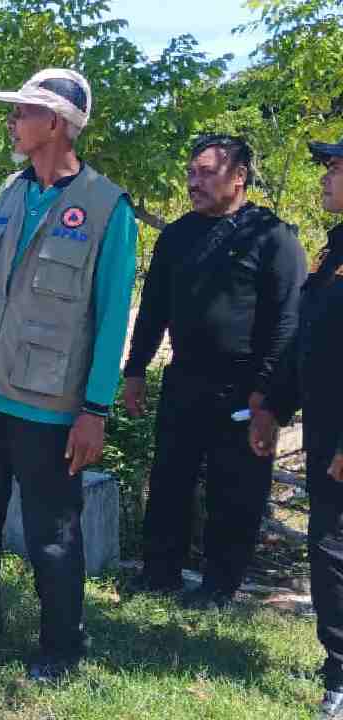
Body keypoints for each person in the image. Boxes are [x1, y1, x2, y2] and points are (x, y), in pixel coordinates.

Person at [0, 69, 138, 682]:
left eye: (22, 113)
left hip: (49, 402)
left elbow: (112, 318)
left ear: (55, 124)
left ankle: (62, 647)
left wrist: (95, 410)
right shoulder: (12, 192)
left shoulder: (107, 208)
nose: (11, 122)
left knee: (52, 533)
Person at [122, 135, 305, 609]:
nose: (194, 181)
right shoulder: (178, 236)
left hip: (245, 388)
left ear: (239, 176)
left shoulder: (272, 237)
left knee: (234, 491)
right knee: (169, 480)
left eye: (206, 172)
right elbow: (153, 309)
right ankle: (159, 573)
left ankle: (220, 586)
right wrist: (135, 369)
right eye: (191, 172)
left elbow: (288, 322)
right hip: (186, 378)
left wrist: (267, 394)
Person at [252, 134, 343, 720]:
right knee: (330, 546)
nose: (326, 176)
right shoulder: (335, 250)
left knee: (336, 549)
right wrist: (273, 408)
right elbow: (309, 340)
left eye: (337, 167)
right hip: (326, 431)